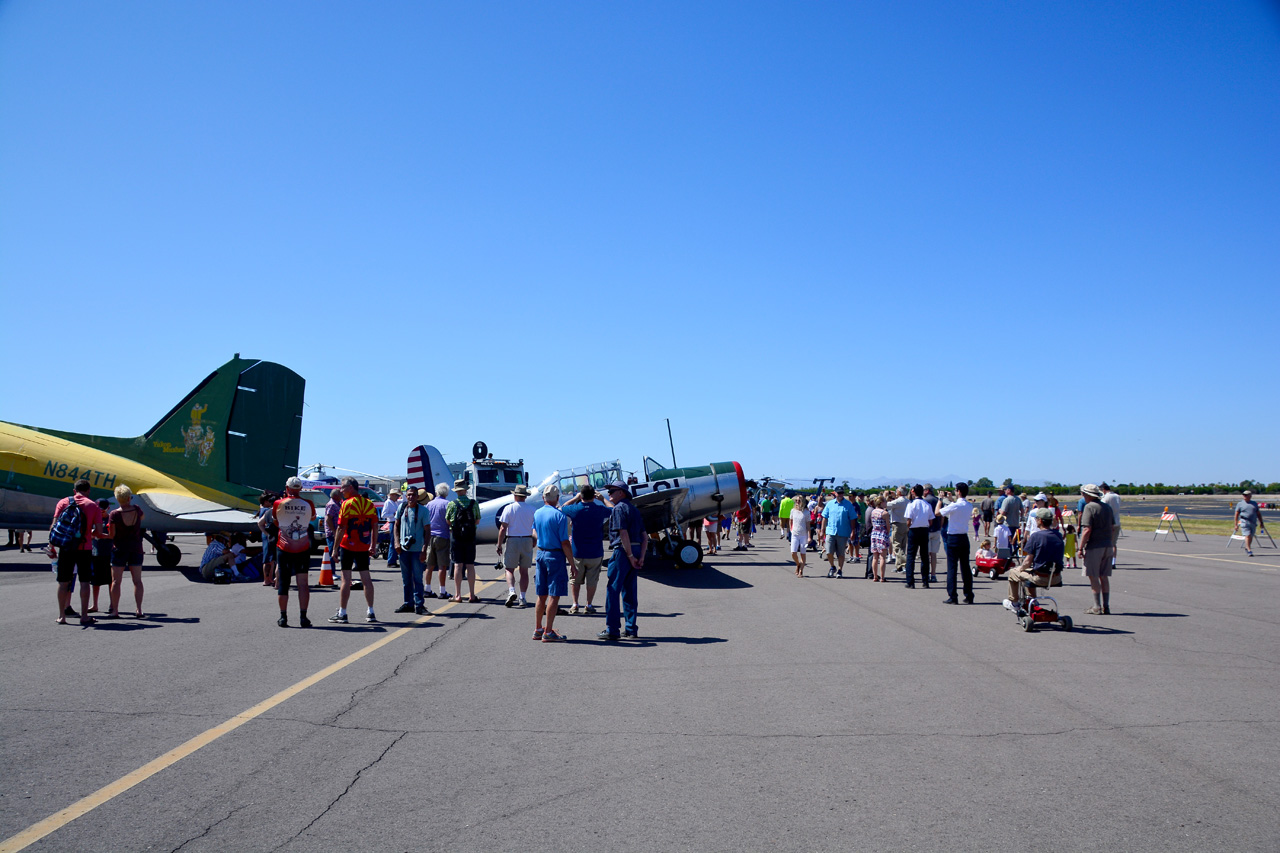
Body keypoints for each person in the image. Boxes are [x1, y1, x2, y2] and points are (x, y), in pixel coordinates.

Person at [48, 479, 103, 626]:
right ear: (89, 490)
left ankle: (62, 616)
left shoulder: (63, 502)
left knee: (63, 581)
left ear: (74, 490)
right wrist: (89, 533)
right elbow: (98, 531)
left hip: (66, 547)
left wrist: (52, 546)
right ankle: (84, 616)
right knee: (84, 581)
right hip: (84, 548)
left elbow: (54, 525)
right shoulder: (93, 506)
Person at [599, 481, 645, 641]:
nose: (609, 493)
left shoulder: (618, 509)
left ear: (622, 493)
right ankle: (631, 628)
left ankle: (612, 629)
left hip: (623, 551)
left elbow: (623, 533)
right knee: (630, 591)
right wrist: (641, 557)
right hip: (636, 549)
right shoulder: (634, 509)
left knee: (613, 590)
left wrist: (630, 555)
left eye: (612, 490)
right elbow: (644, 536)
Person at [330, 476, 378, 623]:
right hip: (363, 546)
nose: (341, 490)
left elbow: (341, 527)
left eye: (343, 487)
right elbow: (375, 527)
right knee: (366, 578)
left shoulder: (346, 504)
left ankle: (343, 613)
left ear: (350, 487)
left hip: (347, 545)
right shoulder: (369, 504)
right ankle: (370, 611)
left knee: (346, 579)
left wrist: (335, 548)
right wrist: (373, 545)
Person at [560, 484, 612, 614]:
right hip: (595, 552)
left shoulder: (575, 509)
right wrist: (603, 500)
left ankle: (575, 604)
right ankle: (589, 604)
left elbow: (563, 507)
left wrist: (576, 497)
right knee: (592, 580)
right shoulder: (599, 509)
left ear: (581, 495)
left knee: (575, 580)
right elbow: (614, 509)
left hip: (578, 552)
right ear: (593, 496)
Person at [532, 484, 574, 642]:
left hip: (541, 553)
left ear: (544, 498)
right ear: (557, 498)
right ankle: (548, 631)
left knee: (541, 595)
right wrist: (572, 564)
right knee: (554, 595)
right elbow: (565, 542)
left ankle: (538, 628)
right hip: (554, 555)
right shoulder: (560, 516)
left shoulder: (537, 513)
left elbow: (535, 532)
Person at [273, 477, 316, 627]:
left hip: (284, 547)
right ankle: (303, 617)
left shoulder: (278, 503)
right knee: (303, 584)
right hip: (303, 547)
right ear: (300, 488)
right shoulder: (308, 504)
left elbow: (276, 521)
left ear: (287, 488)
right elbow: (312, 519)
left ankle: (283, 617)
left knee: (284, 582)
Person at [1003, 508, 1064, 614]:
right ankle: (1032, 601)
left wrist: (1020, 568)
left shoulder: (1036, 536)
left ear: (1040, 520)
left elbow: (1027, 562)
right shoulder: (1058, 535)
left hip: (1041, 577)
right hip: (1056, 576)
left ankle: (1014, 603)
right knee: (1030, 572)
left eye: (1036, 518)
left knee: (1013, 572)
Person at [107, 485, 147, 618]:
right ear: (129, 497)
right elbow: (142, 518)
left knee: (116, 581)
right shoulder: (137, 509)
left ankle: (115, 610)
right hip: (136, 547)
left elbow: (112, 534)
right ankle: (139, 609)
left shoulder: (114, 514)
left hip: (119, 548)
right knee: (137, 581)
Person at [392, 487, 430, 614]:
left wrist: (424, 549)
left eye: (413, 495)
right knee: (406, 578)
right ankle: (408, 603)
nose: (410, 497)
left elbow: (427, 531)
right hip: (403, 550)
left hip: (417, 549)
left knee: (418, 579)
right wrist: (397, 542)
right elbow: (396, 526)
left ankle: (419, 605)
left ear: (417, 497)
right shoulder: (402, 508)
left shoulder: (423, 511)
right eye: (408, 495)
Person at [1078, 484, 1114, 616]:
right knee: (1104, 577)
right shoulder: (1107, 507)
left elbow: (1087, 529)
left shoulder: (1089, 507)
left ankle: (1096, 606)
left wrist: (1081, 548)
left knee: (1093, 576)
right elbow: (1112, 526)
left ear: (1087, 495)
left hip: (1095, 546)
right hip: (1108, 545)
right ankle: (1106, 606)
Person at [497, 484, 535, 607]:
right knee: (524, 571)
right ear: (525, 496)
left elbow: (503, 528)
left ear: (515, 495)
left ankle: (511, 591)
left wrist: (499, 544)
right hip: (527, 539)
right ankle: (522, 597)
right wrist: (534, 540)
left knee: (509, 568)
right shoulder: (532, 510)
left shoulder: (509, 508)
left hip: (513, 540)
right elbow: (535, 528)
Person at [937, 482, 975, 604]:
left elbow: (938, 512)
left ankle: (953, 595)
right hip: (964, 537)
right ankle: (969, 594)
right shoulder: (968, 505)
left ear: (958, 491)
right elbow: (958, 506)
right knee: (965, 567)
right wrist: (951, 500)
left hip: (953, 537)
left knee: (952, 568)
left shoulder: (955, 506)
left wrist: (940, 500)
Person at [446, 479, 481, 602]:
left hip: (456, 537)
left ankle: (458, 595)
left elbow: (448, 520)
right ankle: (472, 594)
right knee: (470, 565)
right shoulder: (474, 503)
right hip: (470, 537)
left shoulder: (452, 504)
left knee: (457, 565)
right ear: (466, 490)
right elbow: (477, 520)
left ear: (456, 491)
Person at [425, 483, 452, 600]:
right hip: (442, 536)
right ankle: (442, 590)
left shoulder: (429, 504)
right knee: (442, 565)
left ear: (436, 492)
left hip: (430, 536)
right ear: (446, 493)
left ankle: (428, 588)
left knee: (429, 564)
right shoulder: (447, 504)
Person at [903, 485, 933, 589]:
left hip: (914, 530)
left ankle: (910, 581)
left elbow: (908, 520)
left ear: (914, 492)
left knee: (911, 556)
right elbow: (931, 520)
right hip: (924, 530)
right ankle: (925, 581)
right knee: (924, 556)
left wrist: (910, 526)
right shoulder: (927, 504)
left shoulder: (911, 505)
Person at [821, 488, 855, 578]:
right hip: (830, 531)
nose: (840, 495)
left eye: (842, 493)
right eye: (838, 493)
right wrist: (822, 531)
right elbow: (824, 517)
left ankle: (840, 570)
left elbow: (853, 519)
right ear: (835, 493)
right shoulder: (830, 504)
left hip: (843, 532)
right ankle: (832, 566)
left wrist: (853, 531)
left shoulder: (848, 505)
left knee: (841, 553)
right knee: (828, 551)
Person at [89, 498, 112, 614]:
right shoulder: (93, 518)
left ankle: (112, 604)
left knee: (110, 580)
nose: (100, 512)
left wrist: (102, 535)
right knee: (95, 581)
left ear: (107, 508)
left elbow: (114, 535)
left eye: (102, 510)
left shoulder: (110, 519)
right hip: (95, 552)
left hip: (108, 552)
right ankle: (94, 605)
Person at [255, 492, 278, 587]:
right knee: (268, 559)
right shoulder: (268, 511)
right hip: (270, 537)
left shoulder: (263, 510)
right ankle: (267, 579)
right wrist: (267, 533)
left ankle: (269, 578)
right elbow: (260, 523)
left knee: (271, 559)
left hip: (268, 536)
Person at [868, 495, 891, 582]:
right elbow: (888, 526)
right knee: (882, 557)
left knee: (875, 556)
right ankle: (882, 576)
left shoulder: (873, 511)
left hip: (874, 533)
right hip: (882, 533)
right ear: (881, 503)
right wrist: (887, 534)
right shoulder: (885, 513)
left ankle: (875, 576)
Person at [1233, 489, 1263, 556]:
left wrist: (1261, 522)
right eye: (1244, 495)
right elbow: (1236, 514)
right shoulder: (1240, 504)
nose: (1245, 496)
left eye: (1246, 495)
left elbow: (1258, 513)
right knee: (1247, 535)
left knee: (1251, 536)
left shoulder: (1254, 503)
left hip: (1253, 521)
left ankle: (1247, 547)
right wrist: (1236, 524)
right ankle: (1249, 550)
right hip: (1244, 521)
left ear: (1250, 496)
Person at [887, 487, 909, 570]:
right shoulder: (908, 501)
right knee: (903, 546)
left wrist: (887, 496)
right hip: (905, 524)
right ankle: (898, 565)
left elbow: (886, 505)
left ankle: (904, 564)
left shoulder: (897, 501)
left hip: (897, 524)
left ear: (899, 492)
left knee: (896, 546)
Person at [1100, 483, 1122, 567]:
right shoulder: (1117, 496)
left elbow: (1102, 508)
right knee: (1113, 543)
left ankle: (1106, 560)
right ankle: (1113, 561)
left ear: (1104, 490)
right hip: (1117, 521)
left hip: (1108, 522)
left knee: (1106, 543)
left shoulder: (1106, 497)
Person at [923, 484, 941, 584]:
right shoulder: (937, 500)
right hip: (937, 529)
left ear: (927, 491)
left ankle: (925, 574)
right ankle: (933, 574)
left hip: (928, 529)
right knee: (933, 554)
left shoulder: (926, 501)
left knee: (925, 554)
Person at [381, 489, 402, 569]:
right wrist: (393, 514)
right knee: (393, 542)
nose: (397, 497)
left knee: (395, 542)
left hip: (396, 522)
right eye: (396, 495)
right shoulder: (388, 503)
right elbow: (383, 515)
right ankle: (391, 561)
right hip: (392, 523)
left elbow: (404, 500)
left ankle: (393, 560)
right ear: (392, 495)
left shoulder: (395, 502)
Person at [789, 495, 809, 577]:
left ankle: (801, 571)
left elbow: (808, 525)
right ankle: (798, 564)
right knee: (793, 553)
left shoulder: (806, 512)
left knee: (802, 553)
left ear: (803, 502)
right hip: (795, 534)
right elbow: (790, 521)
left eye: (799, 501)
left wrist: (809, 536)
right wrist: (791, 529)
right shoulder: (793, 511)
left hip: (803, 535)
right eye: (796, 501)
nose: (797, 502)